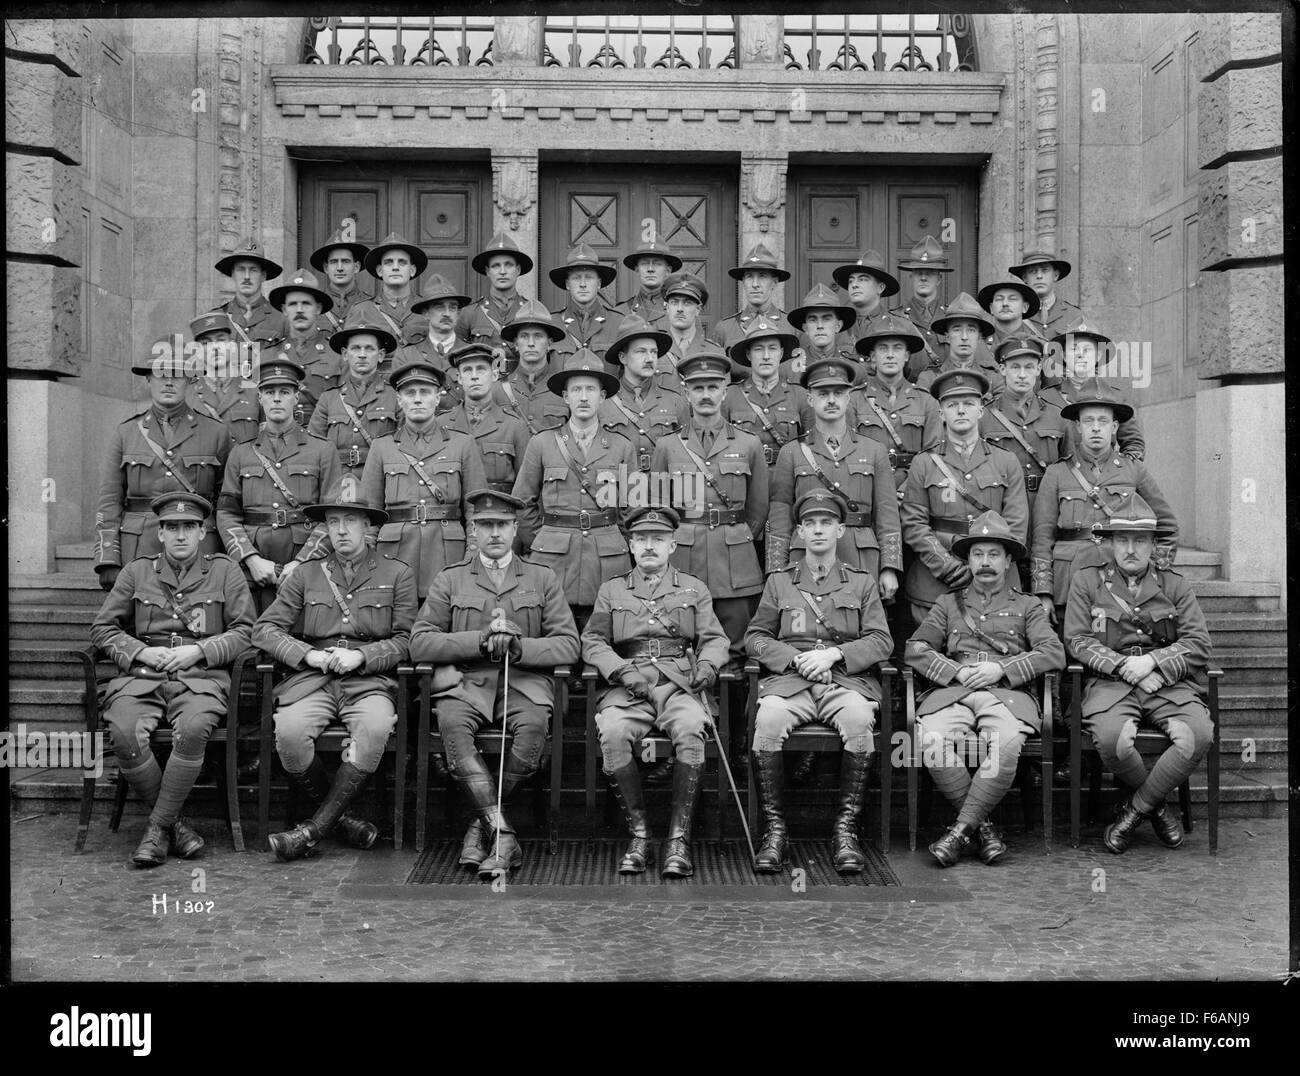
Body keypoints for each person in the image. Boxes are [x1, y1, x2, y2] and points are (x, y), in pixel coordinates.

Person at [409, 490, 580, 876]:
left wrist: (520, 647)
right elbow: (420, 640)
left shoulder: (542, 577)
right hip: (466, 682)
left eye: (502, 525)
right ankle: (502, 836)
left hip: (523, 682)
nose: (495, 533)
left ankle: (481, 826)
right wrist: (478, 639)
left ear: (516, 528)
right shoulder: (451, 579)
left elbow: (569, 644)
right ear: (473, 531)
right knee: (452, 725)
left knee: (534, 727)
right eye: (486, 525)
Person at [252, 482, 418, 861]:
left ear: (368, 528)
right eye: (333, 522)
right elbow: (264, 629)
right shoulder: (306, 574)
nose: (341, 530)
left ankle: (311, 831)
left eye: (350, 521)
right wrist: (307, 655)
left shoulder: (396, 573)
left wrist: (364, 657)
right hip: (315, 679)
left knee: (374, 730)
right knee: (290, 734)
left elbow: (409, 639)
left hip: (369, 680)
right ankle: (343, 821)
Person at [90, 492, 255, 867]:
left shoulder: (225, 571)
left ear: (202, 533)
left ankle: (156, 830)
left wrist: (200, 651)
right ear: (160, 533)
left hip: (201, 676)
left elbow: (247, 631)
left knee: (195, 727)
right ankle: (174, 827)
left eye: (189, 528)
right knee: (124, 729)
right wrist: (139, 652)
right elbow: (102, 629)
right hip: (143, 674)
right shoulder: (137, 572)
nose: (180, 535)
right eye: (172, 528)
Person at [744, 489, 894, 873]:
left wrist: (834, 654)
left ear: (841, 530)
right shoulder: (780, 582)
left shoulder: (861, 583)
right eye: (810, 524)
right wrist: (795, 658)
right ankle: (775, 831)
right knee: (769, 721)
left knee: (860, 720)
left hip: (843, 682)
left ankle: (846, 831)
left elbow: (881, 640)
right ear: (799, 532)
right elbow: (756, 637)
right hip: (791, 683)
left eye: (826, 523)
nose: (818, 530)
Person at [905, 511, 1065, 866]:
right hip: (955, 693)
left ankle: (960, 831)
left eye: (994, 554)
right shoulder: (949, 603)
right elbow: (915, 649)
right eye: (978, 554)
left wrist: (1000, 669)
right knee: (930, 740)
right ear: (968, 560)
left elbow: (1053, 652)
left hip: (1006, 695)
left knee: (1007, 745)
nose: (985, 563)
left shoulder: (1027, 606)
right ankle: (984, 829)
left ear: (1008, 560)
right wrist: (955, 672)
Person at [581, 505, 730, 877]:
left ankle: (679, 839)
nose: (649, 546)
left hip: (679, 685)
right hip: (629, 686)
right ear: (631, 545)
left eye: (658, 540)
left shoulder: (694, 589)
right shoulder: (612, 589)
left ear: (672, 545)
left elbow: (715, 638)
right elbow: (593, 640)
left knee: (693, 728)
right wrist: (618, 670)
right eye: (642, 539)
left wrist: (709, 667)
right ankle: (640, 835)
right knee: (613, 732)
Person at [1063, 493, 1212, 855]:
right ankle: (1158, 809)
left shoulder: (1174, 584)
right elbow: (1076, 639)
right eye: (1123, 540)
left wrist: (1154, 663)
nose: (1131, 549)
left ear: (1152, 544)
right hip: (1111, 683)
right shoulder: (1087, 582)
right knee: (1114, 740)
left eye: (1140, 540)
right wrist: (1125, 668)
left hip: (1164, 683)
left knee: (1198, 734)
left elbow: (1199, 643)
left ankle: (1134, 810)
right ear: (1112, 543)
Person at [649, 349, 769, 667]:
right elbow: (659, 509)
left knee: (737, 652)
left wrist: (736, 536)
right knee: (679, 646)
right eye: (698, 388)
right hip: (683, 557)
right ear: (686, 392)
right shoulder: (668, 446)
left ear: (725, 390)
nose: (706, 395)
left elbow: (758, 509)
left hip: (735, 563)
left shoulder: (748, 444)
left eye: (713, 387)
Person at [1029, 378, 1176, 623]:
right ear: (1077, 427)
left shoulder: (1133, 471)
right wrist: (1044, 593)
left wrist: (1154, 573)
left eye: (1103, 421)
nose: (1096, 428)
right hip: (1069, 582)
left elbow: (1168, 526)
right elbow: (1042, 539)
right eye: (1088, 421)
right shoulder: (1057, 473)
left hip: (1123, 581)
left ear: (1115, 427)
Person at [512, 350, 637, 627]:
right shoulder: (542, 444)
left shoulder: (622, 447)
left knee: (605, 633)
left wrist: (620, 545)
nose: (583, 397)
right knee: (555, 635)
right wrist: (545, 541)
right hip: (553, 558)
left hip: (607, 559)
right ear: (565, 397)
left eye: (590, 389)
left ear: (602, 397)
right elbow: (522, 502)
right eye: (576, 389)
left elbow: (633, 511)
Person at [94, 340, 230, 590]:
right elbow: (110, 500)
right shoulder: (126, 432)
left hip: (198, 544)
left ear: (189, 380)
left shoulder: (216, 433)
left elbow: (227, 502)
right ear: (148, 378)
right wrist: (108, 559)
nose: (168, 381)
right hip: (139, 547)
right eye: (160, 373)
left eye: (177, 375)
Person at [899, 370, 1028, 627]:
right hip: (936, 581)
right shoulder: (924, 463)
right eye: (952, 405)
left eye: (968, 404)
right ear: (940, 413)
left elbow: (1016, 524)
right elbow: (913, 524)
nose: (960, 411)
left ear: (981, 411)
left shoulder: (1006, 461)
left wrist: (985, 564)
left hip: (996, 579)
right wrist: (946, 565)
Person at [767, 356, 902, 597]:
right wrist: (777, 569)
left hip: (860, 554)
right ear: (809, 399)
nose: (831, 400)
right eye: (822, 393)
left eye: (838, 393)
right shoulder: (792, 452)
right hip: (805, 555)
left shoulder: (874, 450)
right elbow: (780, 514)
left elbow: (887, 513)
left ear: (848, 398)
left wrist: (889, 567)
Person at [216, 358, 341, 613]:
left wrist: (302, 563)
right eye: (270, 392)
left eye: (284, 392)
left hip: (306, 566)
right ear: (260, 398)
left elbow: (333, 514)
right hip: (253, 568)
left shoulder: (322, 450)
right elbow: (227, 513)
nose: (276, 399)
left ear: (296, 398)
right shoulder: (241, 453)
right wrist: (250, 559)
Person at [358, 358, 487, 595]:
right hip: (394, 555)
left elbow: (475, 510)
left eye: (425, 392)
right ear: (399, 400)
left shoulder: (463, 444)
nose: (417, 399)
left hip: (447, 553)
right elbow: (370, 516)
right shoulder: (382, 447)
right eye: (410, 393)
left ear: (437, 398)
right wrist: (367, 559)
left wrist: (473, 553)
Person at [849, 315, 944, 496]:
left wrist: (906, 489)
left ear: (906, 356)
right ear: (872, 357)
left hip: (914, 493)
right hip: (867, 490)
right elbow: (848, 454)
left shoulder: (926, 401)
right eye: (883, 349)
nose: (890, 355)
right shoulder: (854, 400)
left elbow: (934, 455)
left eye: (897, 348)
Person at [980, 337, 1066, 522]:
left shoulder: (1057, 415)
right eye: (1015, 367)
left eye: (1028, 367)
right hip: (1001, 507)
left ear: (1038, 369)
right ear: (1003, 370)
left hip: (1047, 507)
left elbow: (1070, 467)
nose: (1022, 374)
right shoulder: (984, 416)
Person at [309, 316, 400, 479]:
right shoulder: (328, 399)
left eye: (369, 349)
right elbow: (314, 448)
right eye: (356, 348)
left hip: (380, 480)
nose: (362, 355)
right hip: (337, 480)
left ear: (380, 355)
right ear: (345, 354)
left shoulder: (395, 397)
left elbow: (403, 447)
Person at [1039, 321, 1145, 461]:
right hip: (1063, 478)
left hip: (1104, 478)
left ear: (1098, 356)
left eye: (1087, 349)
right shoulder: (1046, 398)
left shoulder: (1115, 397)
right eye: (1074, 349)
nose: (1080, 355)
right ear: (1064, 356)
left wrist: (1119, 471)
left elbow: (1134, 444)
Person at [599, 313, 686, 472]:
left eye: (654, 352)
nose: (650, 359)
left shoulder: (675, 401)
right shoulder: (604, 403)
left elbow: (686, 457)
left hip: (662, 490)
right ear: (623, 358)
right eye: (641, 351)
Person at [441, 343, 531, 496]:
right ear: (459, 378)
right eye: (467, 370)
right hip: (455, 517)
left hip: (499, 513)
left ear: (494, 375)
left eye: (481, 369)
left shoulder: (514, 426)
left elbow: (526, 487)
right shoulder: (442, 424)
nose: (474, 376)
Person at [724, 315, 810, 468]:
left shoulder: (800, 396)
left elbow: (811, 447)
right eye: (758, 349)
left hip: (786, 479)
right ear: (749, 355)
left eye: (772, 348)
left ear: (781, 353)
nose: (766, 356)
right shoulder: (730, 396)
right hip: (745, 478)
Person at [266, 267, 339, 426]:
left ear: (318, 309)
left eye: (306, 304)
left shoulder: (336, 354)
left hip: (323, 437)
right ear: (284, 310)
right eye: (293, 304)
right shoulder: (267, 354)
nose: (299, 310)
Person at [494, 300, 570, 436]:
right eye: (524, 336)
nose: (530, 343)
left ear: (549, 343)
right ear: (516, 344)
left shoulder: (563, 391)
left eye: (538, 336)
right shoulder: (497, 390)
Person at [186, 311, 261, 447]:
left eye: (220, 340)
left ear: (232, 346)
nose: (214, 347)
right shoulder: (187, 395)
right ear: (197, 351)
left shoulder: (254, 390)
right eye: (206, 343)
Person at [456, 231, 533, 358]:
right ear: (487, 271)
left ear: (518, 270)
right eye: (496, 266)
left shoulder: (530, 311)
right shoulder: (469, 314)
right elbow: (458, 356)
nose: (502, 272)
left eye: (508, 265)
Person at [398, 274, 473, 398]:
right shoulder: (406, 356)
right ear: (426, 313)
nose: (447, 314)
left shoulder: (471, 354)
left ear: (458, 314)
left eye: (452, 308)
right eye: (439, 307)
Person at [351, 231, 431, 348]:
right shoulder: (361, 311)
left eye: (402, 262)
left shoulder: (427, 310)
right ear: (379, 270)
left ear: (412, 270)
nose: (395, 268)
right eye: (388, 263)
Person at [707, 242, 789, 352]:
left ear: (774, 282)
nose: (755, 284)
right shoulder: (724, 329)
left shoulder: (791, 327)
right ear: (743, 283)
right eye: (749, 277)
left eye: (762, 276)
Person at [917, 291, 1003, 395]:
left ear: (979, 337)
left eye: (971, 330)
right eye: (957, 330)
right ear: (947, 337)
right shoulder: (929, 378)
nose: (964, 337)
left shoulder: (994, 380)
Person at [891, 235, 952, 381]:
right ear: (911, 277)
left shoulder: (952, 318)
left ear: (939, 279)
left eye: (929, 272)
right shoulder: (896, 318)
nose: (923, 278)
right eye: (918, 272)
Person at [549, 242, 621, 360]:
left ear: (599, 283)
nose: (583, 284)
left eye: (589, 277)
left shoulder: (618, 323)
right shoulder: (552, 324)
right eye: (576, 278)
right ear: (567, 284)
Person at [213, 238, 288, 348]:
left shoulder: (282, 320)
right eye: (241, 269)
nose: (247, 277)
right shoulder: (216, 318)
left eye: (253, 270)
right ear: (232, 274)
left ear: (263, 276)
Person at [832, 249, 901, 355]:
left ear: (880, 287)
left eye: (862, 279)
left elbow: (916, 367)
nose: (854, 285)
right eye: (851, 281)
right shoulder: (836, 326)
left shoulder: (899, 326)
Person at [785, 282, 858, 380]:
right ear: (805, 328)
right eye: (813, 320)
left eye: (826, 319)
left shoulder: (855, 369)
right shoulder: (787, 370)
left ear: (838, 326)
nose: (819, 326)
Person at [309, 227, 372, 331]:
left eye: (345, 261)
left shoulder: (371, 305)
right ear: (326, 268)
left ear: (356, 267)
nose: (339, 268)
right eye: (334, 262)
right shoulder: (313, 305)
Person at [1009, 250, 1082, 339]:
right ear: (1025, 278)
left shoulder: (1075, 315)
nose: (1039, 276)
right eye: (1032, 271)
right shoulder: (1014, 315)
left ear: (1055, 275)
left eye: (1045, 270)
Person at [615, 237, 682, 327]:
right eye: (644, 264)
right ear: (637, 270)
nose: (650, 269)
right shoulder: (621, 311)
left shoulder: (680, 310)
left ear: (668, 271)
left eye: (657, 264)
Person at [660, 270, 713, 377]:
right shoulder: (655, 350)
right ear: (667, 308)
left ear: (698, 309)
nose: (680, 309)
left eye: (687, 303)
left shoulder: (714, 352)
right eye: (674, 302)